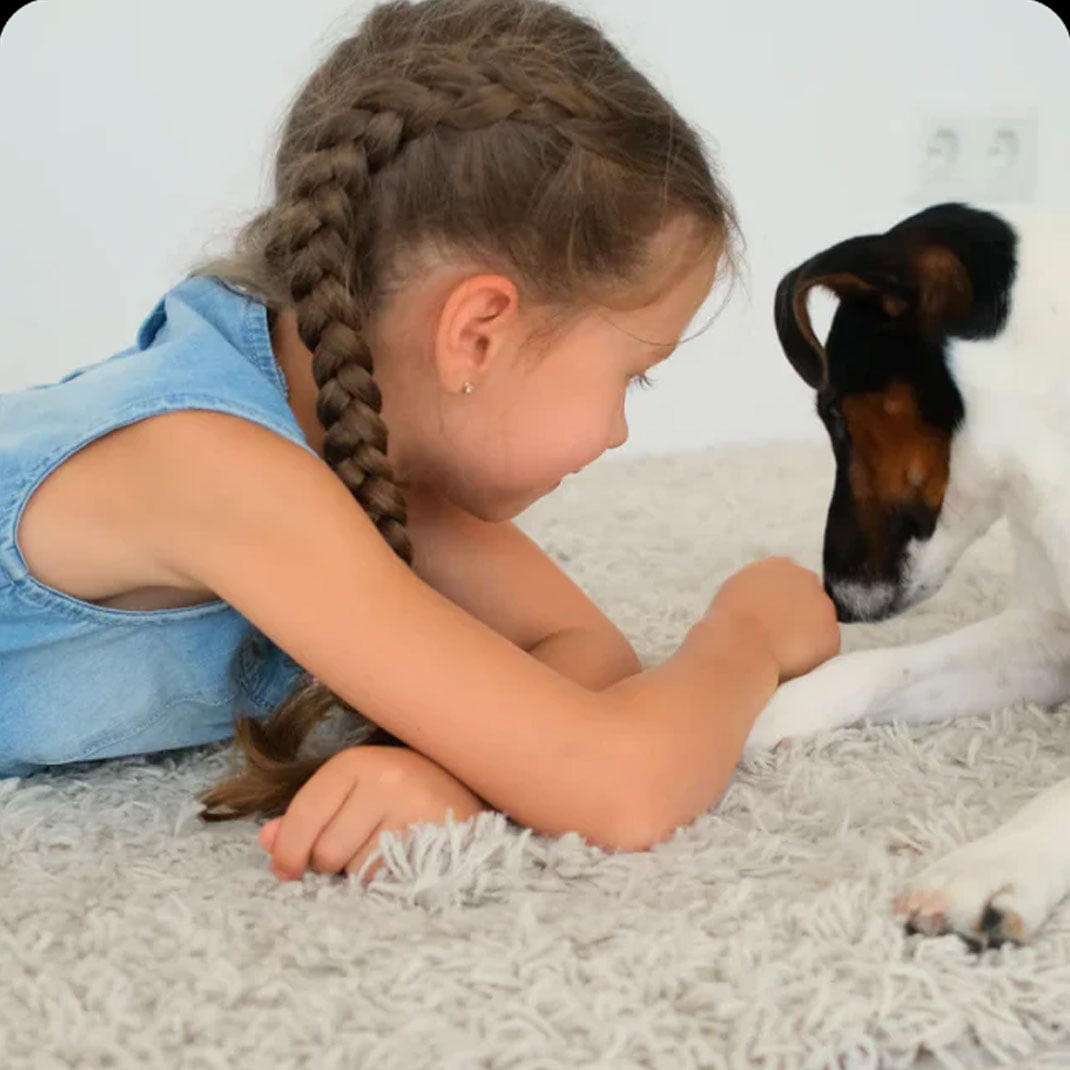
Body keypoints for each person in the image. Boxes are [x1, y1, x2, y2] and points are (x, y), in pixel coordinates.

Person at [0, 0, 839, 881]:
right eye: (634, 374)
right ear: (477, 333)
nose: (620, 429)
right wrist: (743, 637)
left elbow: (579, 649)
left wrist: (443, 768)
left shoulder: (350, 413)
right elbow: (619, 787)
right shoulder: (216, 466)